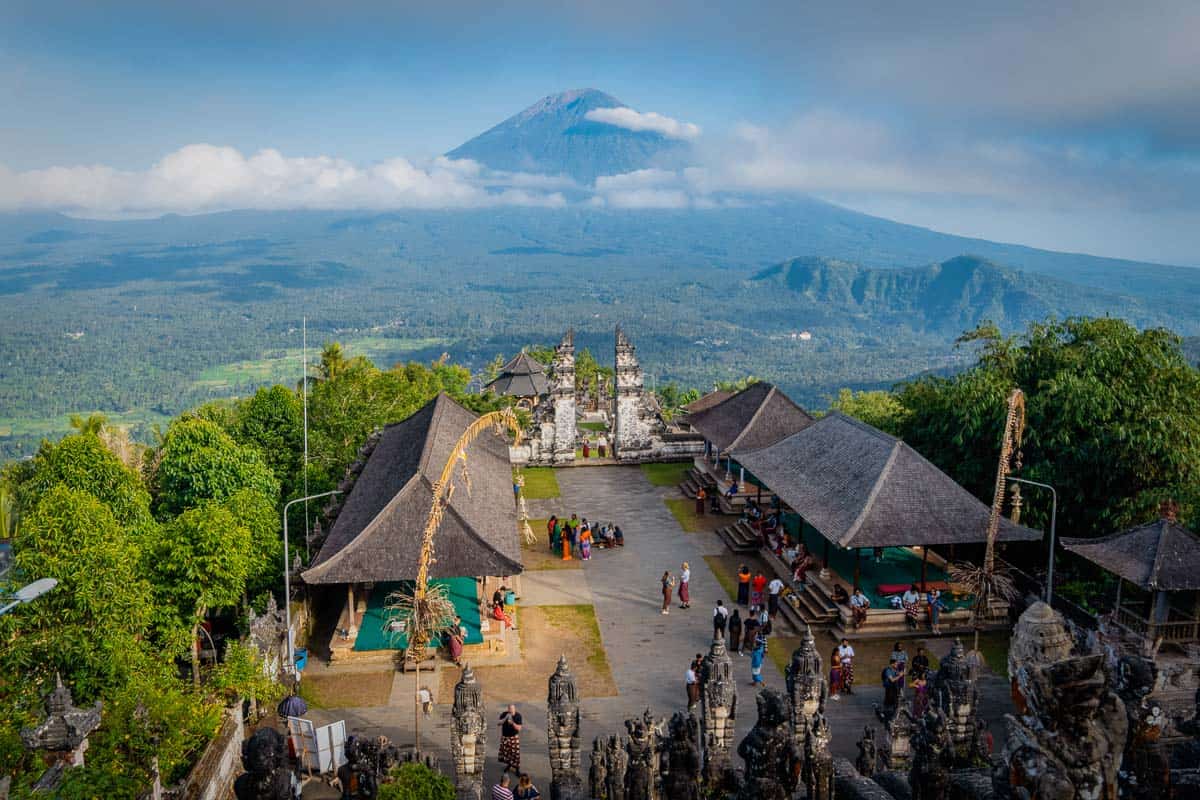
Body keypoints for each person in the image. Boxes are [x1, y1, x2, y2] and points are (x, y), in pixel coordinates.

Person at [498, 704, 523, 774]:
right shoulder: (504, 714)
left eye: (512, 709)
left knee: (516, 754)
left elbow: (519, 728)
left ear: (514, 709)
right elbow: (499, 723)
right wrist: (505, 718)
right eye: (509, 709)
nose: (511, 711)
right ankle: (509, 765)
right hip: (505, 737)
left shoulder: (518, 716)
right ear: (508, 709)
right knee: (507, 753)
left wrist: (512, 723)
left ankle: (517, 769)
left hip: (513, 737)